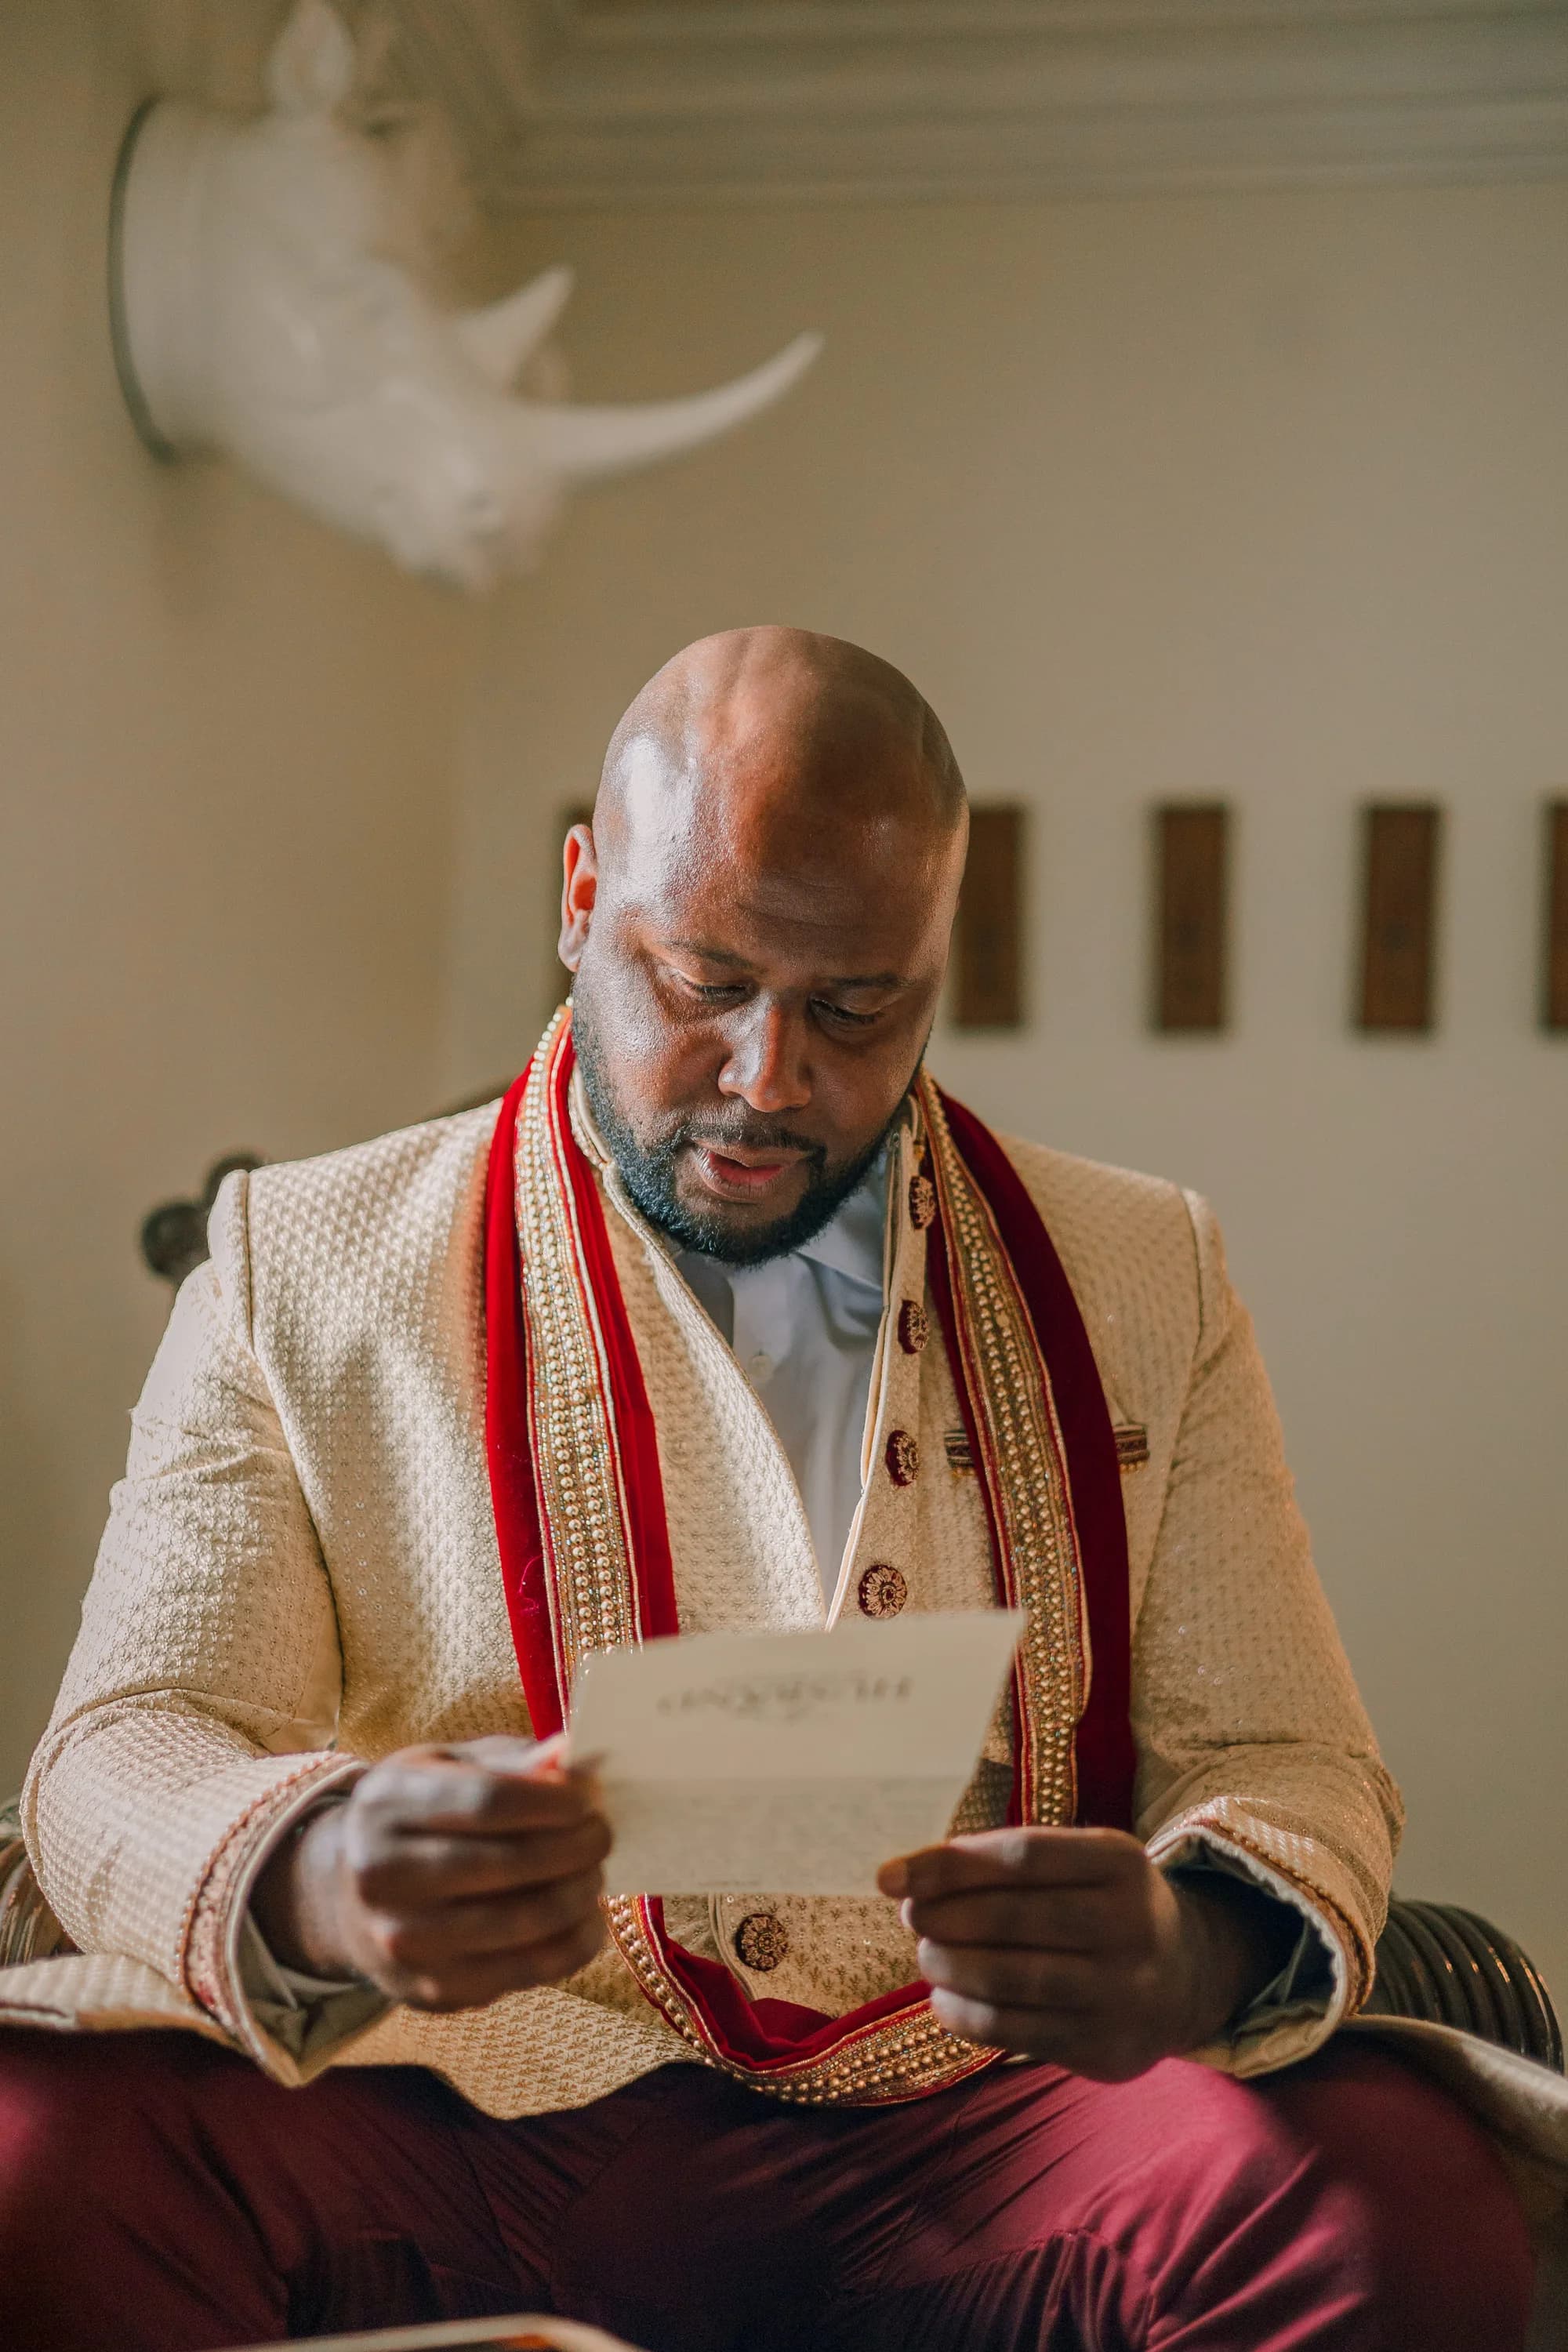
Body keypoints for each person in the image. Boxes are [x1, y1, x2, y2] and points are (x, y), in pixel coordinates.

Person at [0, 629, 1552, 2349]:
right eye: (702, 980)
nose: (768, 1079)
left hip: (986, 2110)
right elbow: (126, 1741)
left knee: (1396, 2203)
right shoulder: (297, 1260)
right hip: (456, 2102)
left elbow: (1289, 1754)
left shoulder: (1139, 1272)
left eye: (855, 1005)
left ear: (935, 963)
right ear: (581, 899)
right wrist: (316, 1872)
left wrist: (1190, 1946)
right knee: (35, 2158)